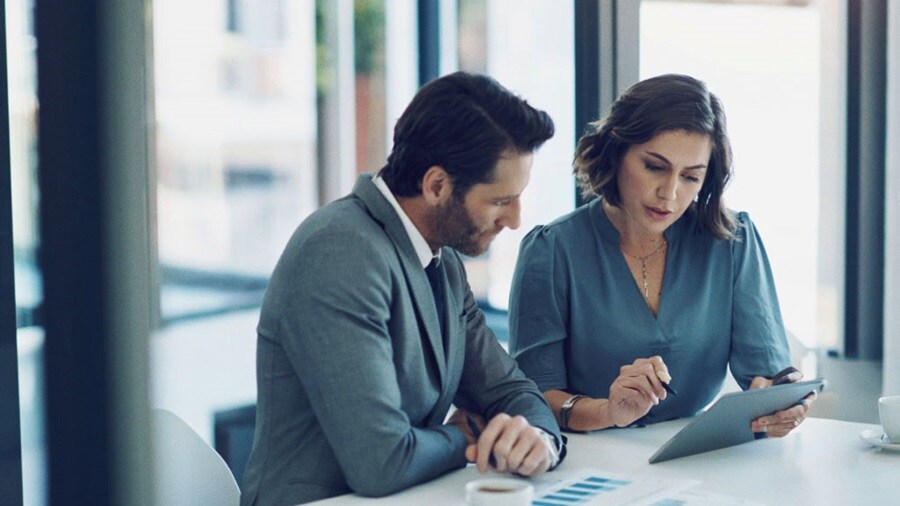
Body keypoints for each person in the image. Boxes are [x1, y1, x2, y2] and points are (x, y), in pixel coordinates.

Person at [240, 71, 564, 506]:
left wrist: (537, 438)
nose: (515, 220)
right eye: (500, 201)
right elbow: (383, 462)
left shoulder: (442, 260)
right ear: (436, 186)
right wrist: (463, 436)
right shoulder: (339, 252)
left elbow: (510, 390)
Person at [508, 74, 816, 436]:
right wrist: (610, 410)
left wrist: (777, 406)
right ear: (617, 152)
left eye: (691, 177)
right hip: (587, 453)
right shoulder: (551, 251)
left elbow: (766, 378)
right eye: (654, 166)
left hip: (696, 455)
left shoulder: (733, 241)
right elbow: (533, 399)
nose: (669, 194)